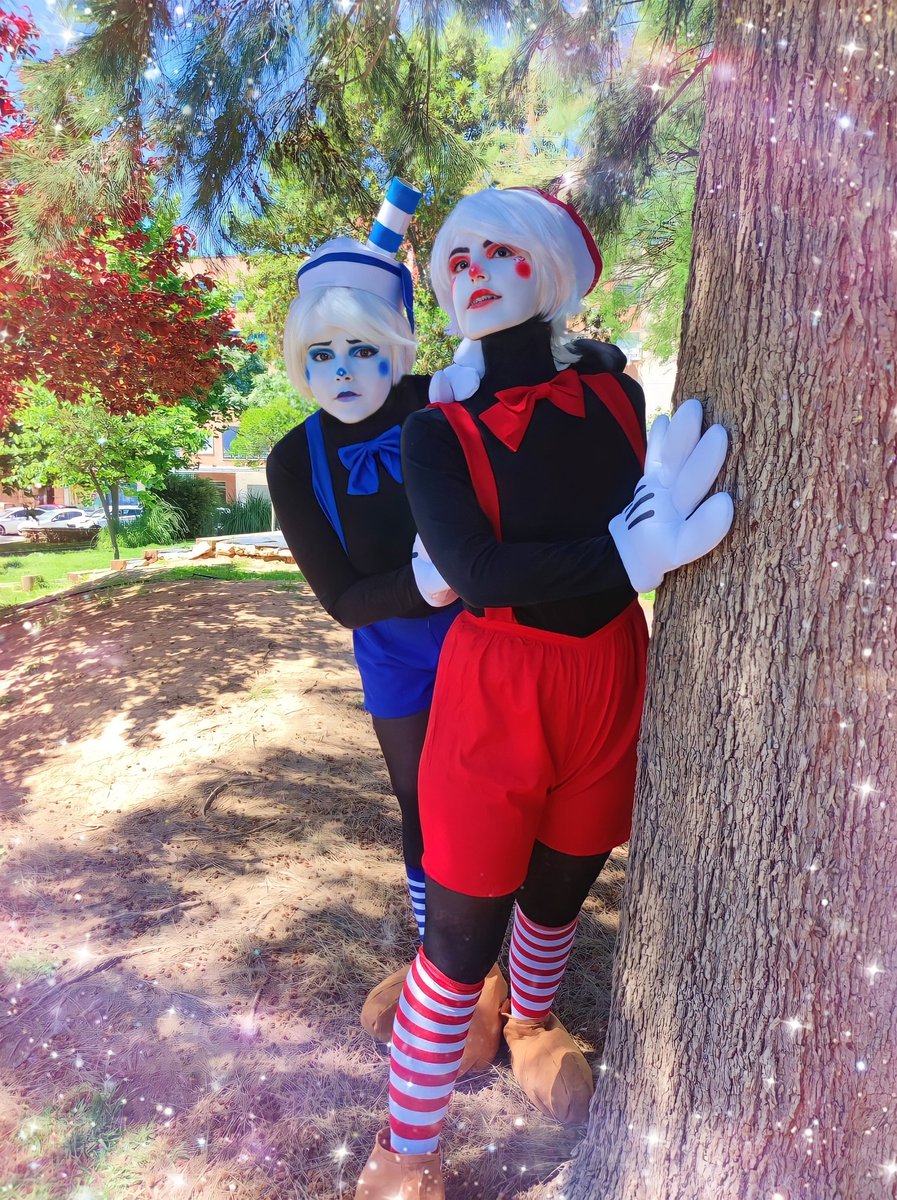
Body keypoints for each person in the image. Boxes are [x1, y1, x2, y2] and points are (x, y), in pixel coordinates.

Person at [353, 186, 734, 1199]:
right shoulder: (437, 430)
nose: (473, 272)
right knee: (458, 935)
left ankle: (528, 1021)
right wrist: (627, 554)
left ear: (549, 265)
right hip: (497, 686)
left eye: (498, 252)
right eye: (456, 260)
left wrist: (628, 562)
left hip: (610, 672)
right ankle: (405, 1148)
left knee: (561, 888)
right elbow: (474, 571)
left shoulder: (615, 395)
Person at [265, 179, 509, 1072]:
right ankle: (440, 961)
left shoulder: (440, 406)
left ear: (395, 348)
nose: (341, 371)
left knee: (497, 794)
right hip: (393, 652)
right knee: (420, 800)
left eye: (362, 350)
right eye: (321, 353)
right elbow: (339, 598)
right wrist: (422, 583)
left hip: (491, 636)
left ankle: (504, 980)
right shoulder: (292, 458)